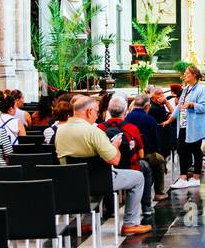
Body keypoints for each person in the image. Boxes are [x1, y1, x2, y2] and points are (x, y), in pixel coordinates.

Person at [56, 94, 150, 235]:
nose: (97, 115)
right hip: (99, 181)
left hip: (73, 182)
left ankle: (86, 222)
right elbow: (114, 160)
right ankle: (131, 223)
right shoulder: (93, 132)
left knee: (90, 179)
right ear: (89, 111)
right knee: (138, 177)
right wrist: (115, 146)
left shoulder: (60, 131)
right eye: (96, 111)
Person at [98, 94, 154, 223]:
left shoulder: (100, 128)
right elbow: (140, 154)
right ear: (125, 111)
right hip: (130, 166)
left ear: (108, 111)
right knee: (145, 167)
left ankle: (110, 208)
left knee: (104, 169)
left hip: (108, 168)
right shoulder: (131, 128)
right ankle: (146, 207)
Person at [163, 65, 205, 189]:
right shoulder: (185, 89)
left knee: (195, 149)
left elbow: (204, 107)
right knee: (181, 149)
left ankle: (196, 177)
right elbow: (178, 107)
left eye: (187, 73)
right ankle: (183, 178)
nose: (184, 75)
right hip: (183, 124)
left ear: (194, 75)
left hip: (195, 125)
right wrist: (170, 120)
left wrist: (191, 104)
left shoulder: (201, 90)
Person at [125, 94, 167, 200]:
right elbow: (156, 141)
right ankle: (158, 192)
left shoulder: (127, 117)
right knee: (160, 160)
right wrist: (158, 151)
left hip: (128, 154)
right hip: (145, 154)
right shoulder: (149, 119)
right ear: (147, 106)